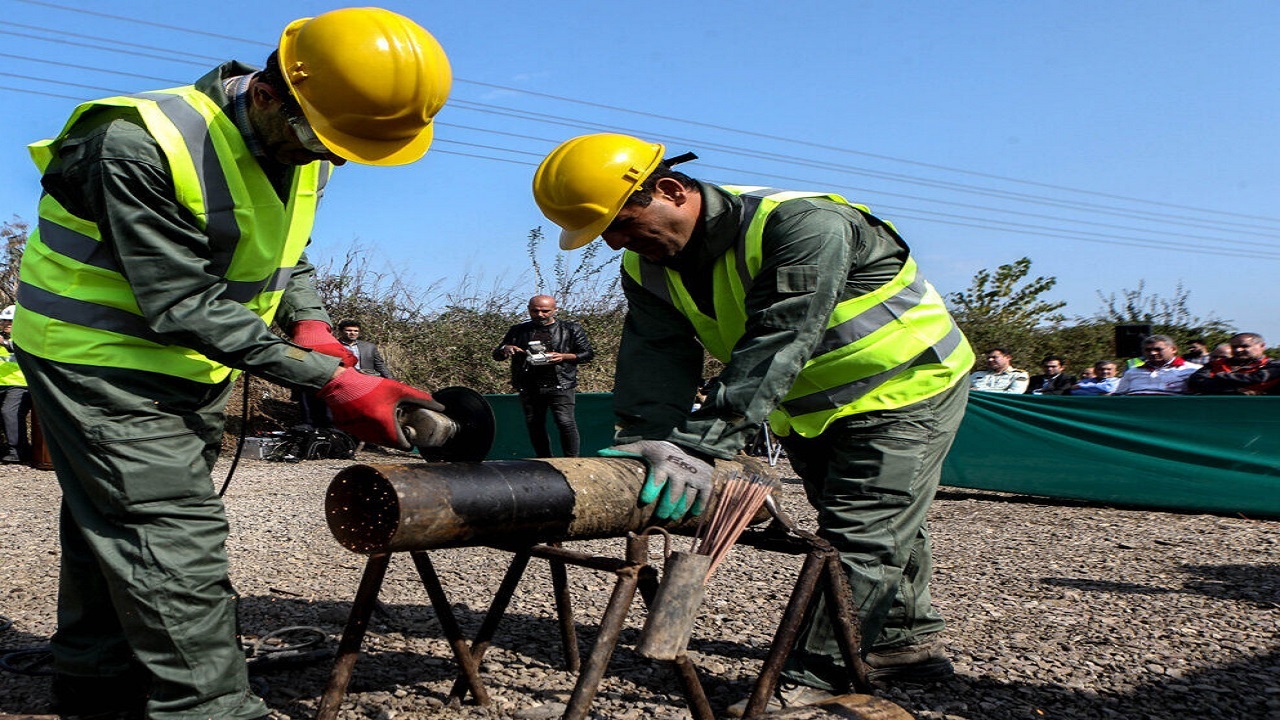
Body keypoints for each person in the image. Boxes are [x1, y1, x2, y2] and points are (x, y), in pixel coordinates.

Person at [13, 9, 453, 720]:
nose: (328, 158)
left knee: (117, 518)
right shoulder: (134, 144)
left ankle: (94, 684)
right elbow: (181, 301)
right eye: (322, 140)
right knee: (168, 528)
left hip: (190, 363)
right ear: (269, 93)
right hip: (96, 358)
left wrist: (308, 321)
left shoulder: (297, 146)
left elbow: (286, 249)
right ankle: (210, 708)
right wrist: (335, 380)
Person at [532, 133, 974, 713]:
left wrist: (704, 444)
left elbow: (782, 334)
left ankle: (819, 678)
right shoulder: (650, 266)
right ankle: (899, 642)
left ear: (668, 189)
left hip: (904, 387)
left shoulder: (804, 226)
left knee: (863, 530)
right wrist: (646, 439)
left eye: (618, 222)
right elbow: (655, 356)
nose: (615, 242)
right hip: (810, 406)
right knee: (879, 520)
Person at [492, 294, 594, 457]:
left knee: (565, 422)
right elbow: (497, 355)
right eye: (535, 311)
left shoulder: (570, 329)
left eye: (545, 311)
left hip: (561, 382)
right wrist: (506, 349)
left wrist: (563, 356)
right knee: (534, 424)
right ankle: (544, 459)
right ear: (529, 310)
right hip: (529, 384)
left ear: (555, 310)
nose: (540, 315)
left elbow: (587, 354)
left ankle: (572, 460)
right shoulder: (519, 330)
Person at [1188, 332, 1280, 395]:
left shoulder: (1273, 365)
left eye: (1244, 346)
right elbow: (1197, 383)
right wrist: (1235, 390)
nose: (1238, 350)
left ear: (1262, 346)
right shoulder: (1215, 365)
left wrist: (1219, 376)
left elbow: (1257, 378)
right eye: (1234, 347)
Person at [1111, 335, 1201, 395]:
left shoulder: (1192, 370)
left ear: (1173, 349)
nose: (1153, 353)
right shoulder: (1132, 371)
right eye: (1148, 350)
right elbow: (1119, 395)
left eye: (1158, 349)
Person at [0, 305, 32, 463]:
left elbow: (17, 349)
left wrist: (4, 343)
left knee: (9, 413)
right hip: (1, 384)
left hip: (20, 385)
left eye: (10, 321)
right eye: (4, 321)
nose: (6, 324)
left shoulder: (26, 339)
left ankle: (19, 451)